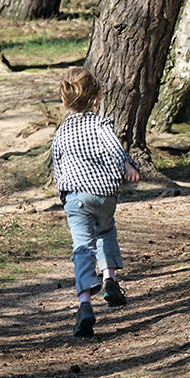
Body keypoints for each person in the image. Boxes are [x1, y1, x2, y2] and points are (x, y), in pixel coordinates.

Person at [51, 66, 140, 339]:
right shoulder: (101, 124)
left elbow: (56, 164)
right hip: (104, 195)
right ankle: (110, 279)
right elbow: (114, 146)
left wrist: (63, 195)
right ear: (97, 96)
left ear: (64, 101)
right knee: (106, 230)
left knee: (82, 247)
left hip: (76, 197)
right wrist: (126, 163)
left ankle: (85, 304)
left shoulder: (61, 131)